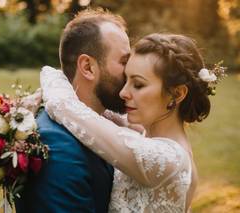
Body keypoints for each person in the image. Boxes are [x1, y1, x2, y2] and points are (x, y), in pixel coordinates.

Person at [40, 33, 225, 212]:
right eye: (126, 79)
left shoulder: (168, 160)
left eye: (138, 85)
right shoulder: (147, 136)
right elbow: (105, 116)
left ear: (177, 94)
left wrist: (52, 74)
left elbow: (64, 107)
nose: (123, 93)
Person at [15, 8, 131, 213]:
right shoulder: (57, 146)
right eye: (124, 61)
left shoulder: (105, 121)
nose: (131, 71)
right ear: (87, 67)